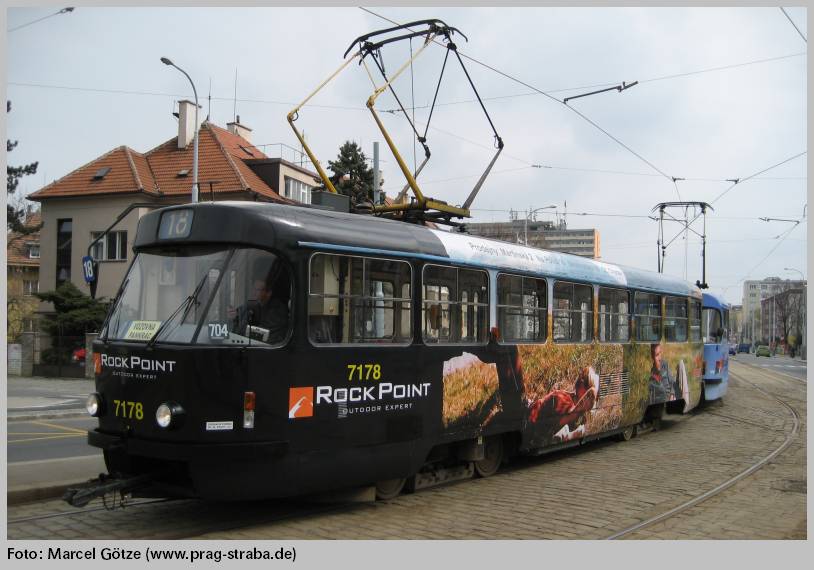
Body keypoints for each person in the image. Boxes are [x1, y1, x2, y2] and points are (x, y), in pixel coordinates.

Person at [233, 261, 290, 344]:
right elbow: (237, 319)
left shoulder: (278, 310)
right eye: (254, 289)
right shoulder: (251, 305)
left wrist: (243, 329)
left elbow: (265, 334)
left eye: (258, 290)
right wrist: (234, 316)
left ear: (268, 293)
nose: (254, 293)